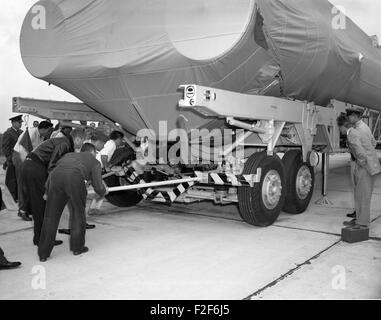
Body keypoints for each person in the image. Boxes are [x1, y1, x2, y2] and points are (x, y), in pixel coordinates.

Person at [38, 143, 108, 261]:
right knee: (78, 214)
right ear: (92, 152)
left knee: (50, 217)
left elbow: (54, 172)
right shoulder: (94, 161)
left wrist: (46, 190)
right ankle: (77, 247)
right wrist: (103, 192)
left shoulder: (68, 155)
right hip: (74, 178)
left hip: (55, 178)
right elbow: (98, 185)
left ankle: (43, 253)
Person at [22, 135, 75, 246]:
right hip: (36, 168)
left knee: (38, 205)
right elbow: (52, 166)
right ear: (77, 139)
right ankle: (44, 239)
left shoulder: (59, 141)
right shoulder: (64, 144)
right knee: (43, 205)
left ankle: (39, 238)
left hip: (29, 166)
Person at [58, 132, 108, 235]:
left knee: (78, 201)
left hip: (73, 177)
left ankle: (80, 223)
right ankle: (69, 227)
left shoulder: (87, 148)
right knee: (70, 203)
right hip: (68, 178)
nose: (103, 147)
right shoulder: (83, 147)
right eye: (103, 144)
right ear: (98, 142)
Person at [337, 115, 381, 228]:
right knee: (359, 194)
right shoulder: (355, 132)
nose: (339, 130)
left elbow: (360, 153)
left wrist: (360, 165)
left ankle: (362, 223)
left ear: (343, 127)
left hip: (366, 168)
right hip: (367, 166)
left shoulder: (352, 134)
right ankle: (359, 220)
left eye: (339, 127)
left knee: (363, 196)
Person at [13, 121, 53, 221]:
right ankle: (22, 211)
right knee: (23, 184)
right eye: (48, 130)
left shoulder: (42, 137)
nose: (49, 133)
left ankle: (28, 208)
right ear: (43, 129)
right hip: (20, 157)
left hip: (29, 160)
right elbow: (23, 150)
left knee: (30, 184)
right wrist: (26, 167)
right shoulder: (30, 133)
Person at [345, 108, 377, 219]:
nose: (348, 119)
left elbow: (369, 144)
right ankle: (358, 213)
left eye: (349, 116)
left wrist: (363, 159)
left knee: (361, 191)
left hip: (360, 163)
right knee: (359, 191)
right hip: (361, 162)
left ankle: (361, 218)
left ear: (354, 116)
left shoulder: (360, 129)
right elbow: (373, 142)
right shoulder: (362, 127)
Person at [88, 131, 125, 215]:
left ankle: (93, 209)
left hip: (95, 168)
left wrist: (108, 165)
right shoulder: (112, 144)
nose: (122, 141)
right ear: (118, 139)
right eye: (121, 139)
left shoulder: (111, 144)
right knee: (103, 190)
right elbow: (104, 155)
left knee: (102, 190)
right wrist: (107, 167)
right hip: (94, 169)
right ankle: (93, 209)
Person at [2, 115, 24, 202]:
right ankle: (12, 197)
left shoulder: (22, 132)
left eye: (21, 122)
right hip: (12, 159)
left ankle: (18, 196)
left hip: (21, 159)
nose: (20, 124)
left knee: (19, 179)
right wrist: (9, 158)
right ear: (14, 123)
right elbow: (5, 147)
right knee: (12, 179)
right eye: (19, 122)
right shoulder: (8, 132)